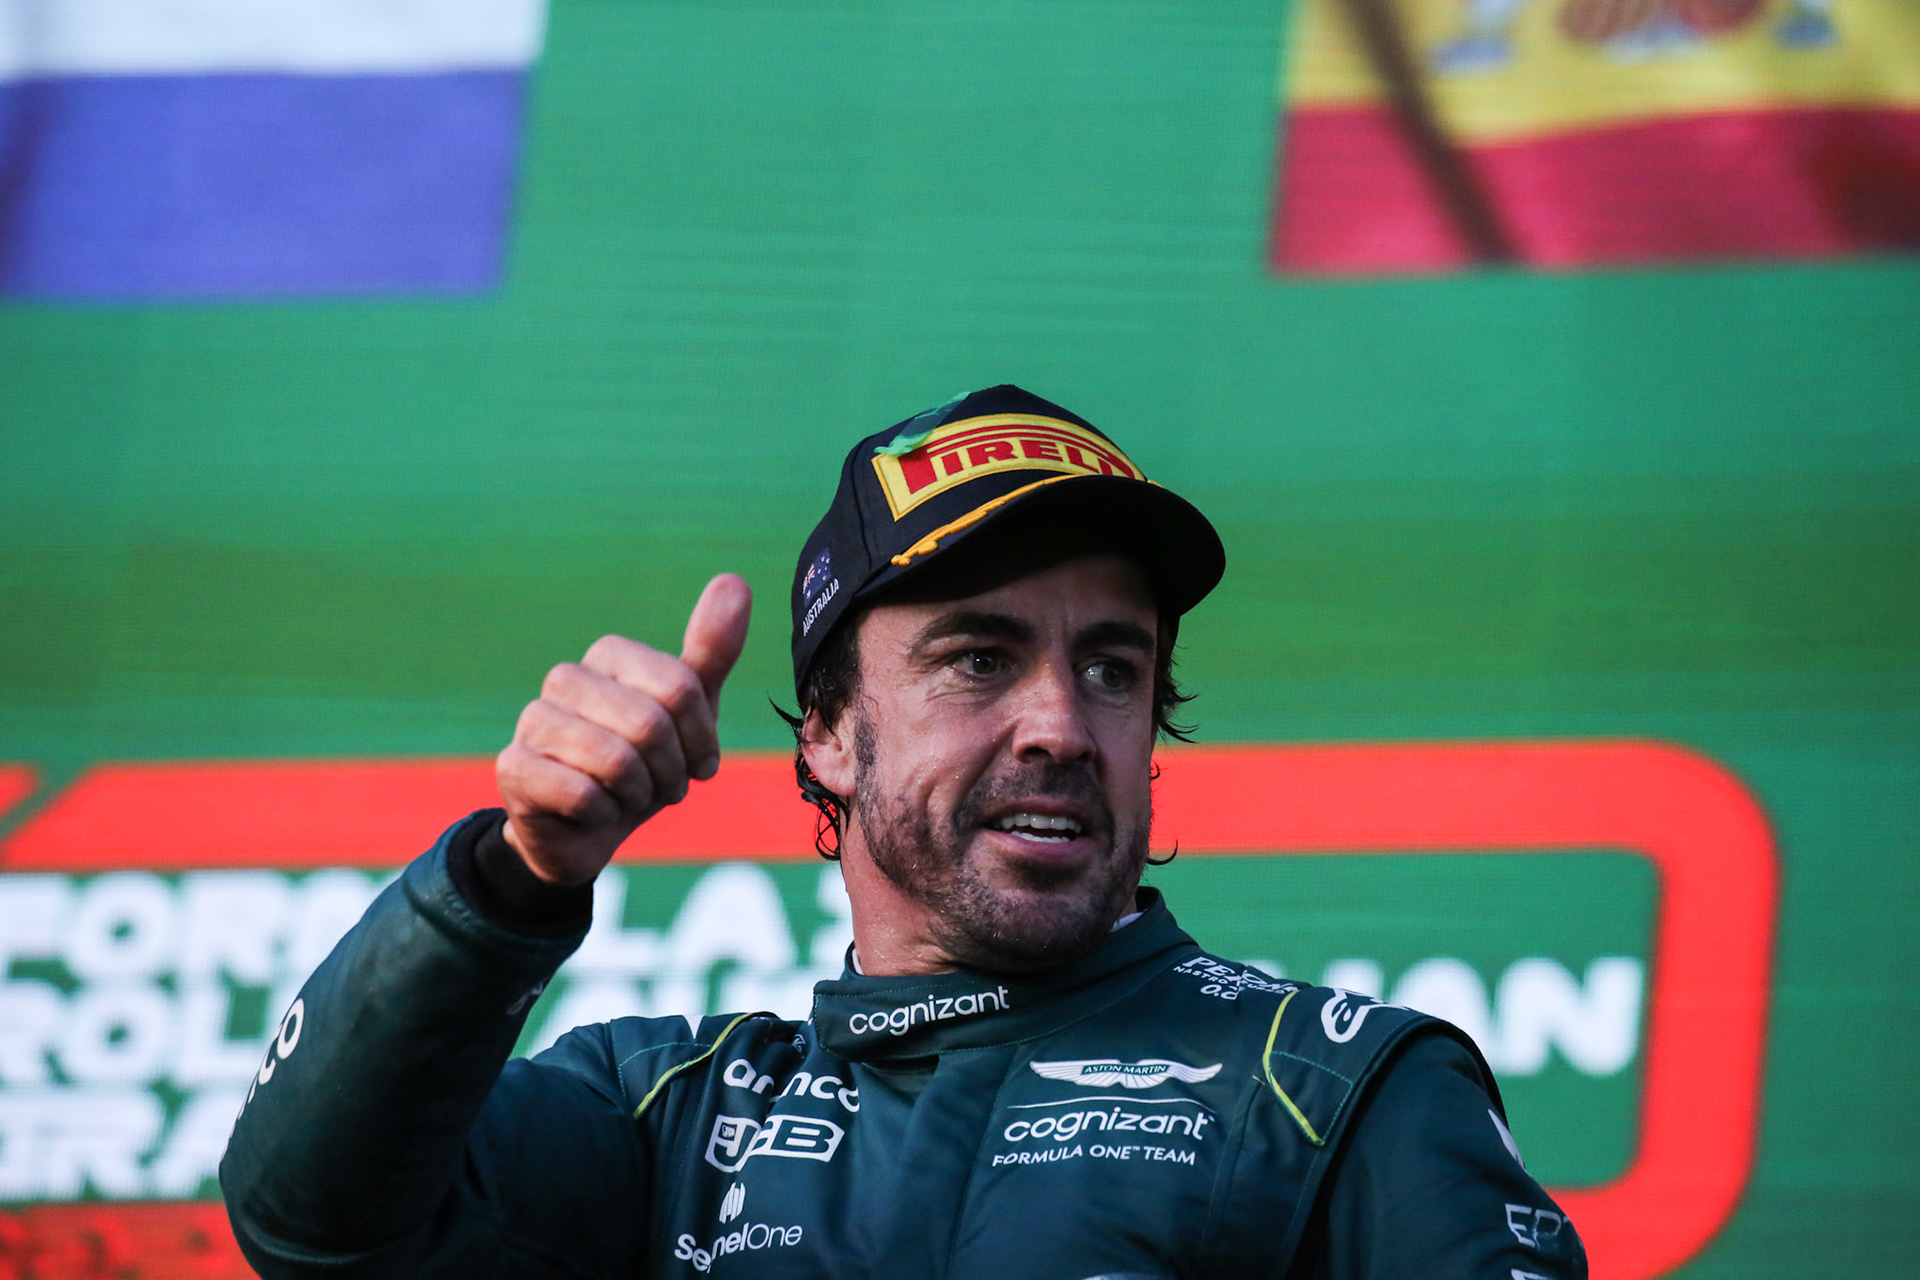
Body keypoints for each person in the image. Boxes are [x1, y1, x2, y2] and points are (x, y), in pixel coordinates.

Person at [219, 385, 1587, 1278]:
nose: (1062, 724)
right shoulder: (667, 1117)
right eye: (979, 659)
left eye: (1112, 668)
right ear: (826, 731)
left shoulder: (1332, 1092)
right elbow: (309, 1223)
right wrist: (513, 881)